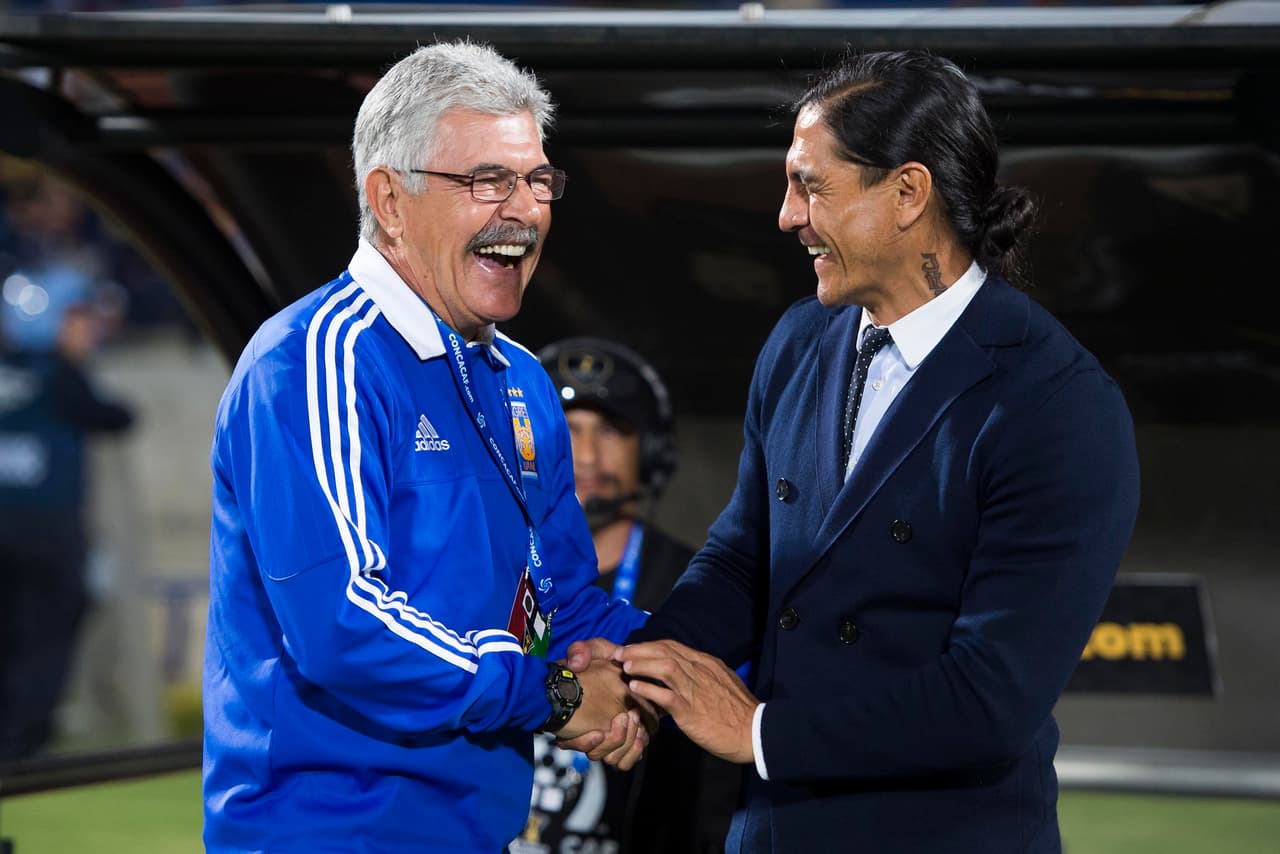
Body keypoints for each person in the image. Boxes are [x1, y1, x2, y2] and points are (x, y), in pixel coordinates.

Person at [603, 50, 1141, 852]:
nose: (786, 215)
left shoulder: (1057, 404)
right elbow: (747, 560)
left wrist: (758, 734)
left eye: (810, 186)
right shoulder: (799, 339)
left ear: (907, 193)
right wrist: (637, 673)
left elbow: (989, 700)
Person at [203, 42, 653, 854]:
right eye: (488, 180)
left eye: (537, 179)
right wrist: (554, 697)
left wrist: (681, 667)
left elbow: (559, 605)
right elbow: (345, 623)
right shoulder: (315, 360)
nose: (525, 208)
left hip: (478, 833)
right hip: (331, 834)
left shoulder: (520, 379)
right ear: (390, 199)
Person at [515, 337, 737, 854]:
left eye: (612, 431)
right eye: (568, 431)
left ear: (652, 453)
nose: (587, 455)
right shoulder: (486, 572)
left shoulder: (703, 589)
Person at [0, 297, 135, 761]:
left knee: (12, 631)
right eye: (77, 323)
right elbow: (116, 417)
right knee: (49, 631)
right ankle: (21, 743)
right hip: (47, 529)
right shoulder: (58, 375)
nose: (88, 334)